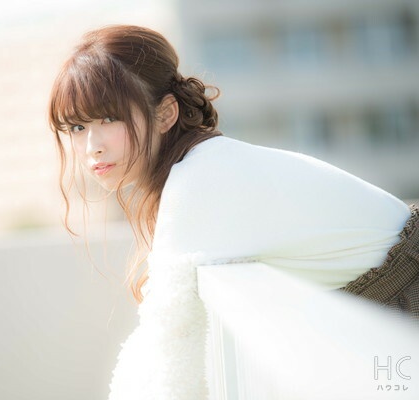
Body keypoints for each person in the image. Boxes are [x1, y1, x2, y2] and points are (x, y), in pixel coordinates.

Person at [48, 25, 418, 400]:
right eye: (77, 126)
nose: (91, 146)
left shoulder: (199, 181)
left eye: (109, 119)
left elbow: (165, 354)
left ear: (165, 114)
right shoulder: (204, 164)